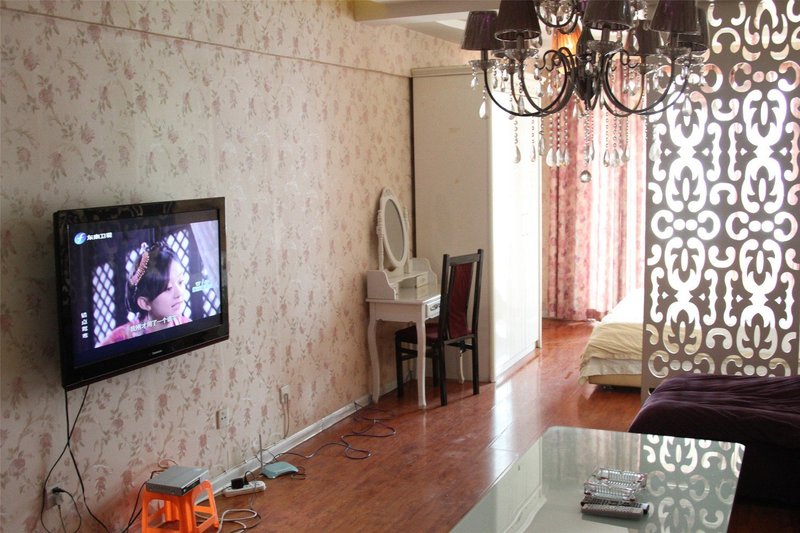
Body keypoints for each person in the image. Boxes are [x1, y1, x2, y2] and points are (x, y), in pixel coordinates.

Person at [99, 242, 190, 346]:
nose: (179, 293)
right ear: (145, 303)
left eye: (180, 282)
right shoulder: (118, 340)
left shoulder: (188, 327)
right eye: (168, 288)